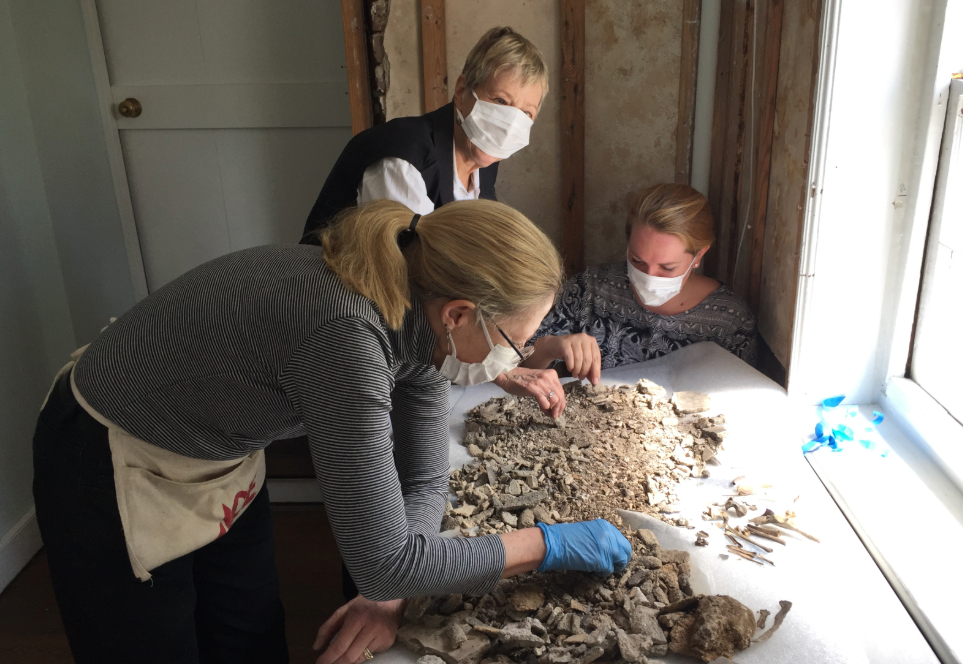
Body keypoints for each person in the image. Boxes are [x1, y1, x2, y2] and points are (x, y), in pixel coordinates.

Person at [32, 199, 632, 664]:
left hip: (217, 444)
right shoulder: (344, 334)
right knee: (151, 645)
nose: (518, 357)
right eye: (513, 341)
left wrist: (399, 577)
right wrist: (547, 545)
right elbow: (383, 563)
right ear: (457, 313)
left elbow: (420, 471)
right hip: (113, 450)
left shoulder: (408, 296)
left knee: (247, 630)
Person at [301, 26, 547, 243]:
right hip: (334, 289)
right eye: (501, 101)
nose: (509, 124)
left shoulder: (483, 161)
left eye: (526, 113)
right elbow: (415, 269)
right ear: (461, 91)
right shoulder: (403, 159)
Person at [522, 184, 758, 380]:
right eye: (637, 260)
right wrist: (551, 347)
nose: (649, 276)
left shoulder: (728, 320)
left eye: (667, 268)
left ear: (699, 256)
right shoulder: (590, 290)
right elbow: (516, 371)